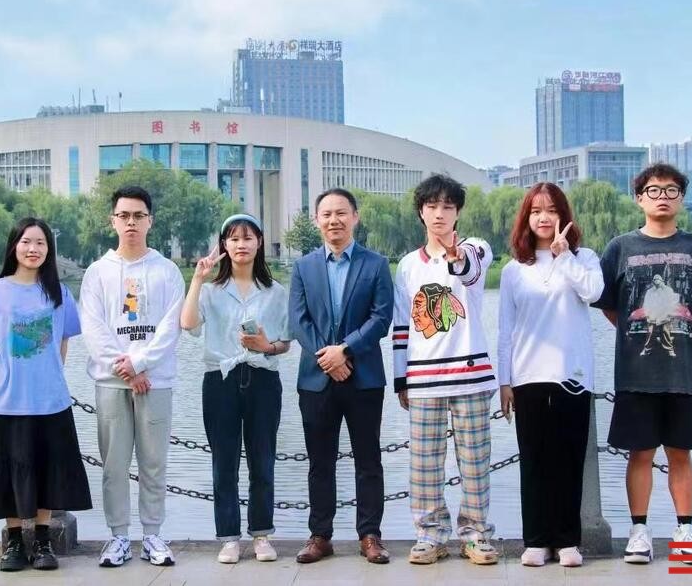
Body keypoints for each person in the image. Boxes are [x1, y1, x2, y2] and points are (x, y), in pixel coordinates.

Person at [592, 163, 692, 565]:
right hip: (635, 374)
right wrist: (642, 327)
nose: (662, 197)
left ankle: (685, 530)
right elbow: (610, 306)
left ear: (681, 198)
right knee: (640, 454)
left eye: (670, 190)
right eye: (653, 190)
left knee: (681, 454)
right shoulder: (620, 248)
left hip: (685, 374)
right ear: (639, 198)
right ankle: (639, 531)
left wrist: (673, 327)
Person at [0, 217, 92, 572]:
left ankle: (42, 541)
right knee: (9, 470)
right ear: (14, 246)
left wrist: (48, 373)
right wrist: (18, 368)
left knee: (47, 469)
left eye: (40, 243)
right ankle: (13, 543)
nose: (33, 249)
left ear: (48, 250)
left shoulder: (59, 293)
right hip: (6, 399)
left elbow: (63, 341)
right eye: (26, 242)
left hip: (50, 399)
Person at [392, 175, 500, 566]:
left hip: (470, 377)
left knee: (474, 461)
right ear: (421, 212)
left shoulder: (476, 248)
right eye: (432, 206)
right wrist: (401, 379)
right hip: (423, 380)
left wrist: (457, 257)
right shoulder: (407, 265)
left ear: (457, 212)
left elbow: (469, 271)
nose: (439, 213)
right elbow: (401, 325)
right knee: (424, 464)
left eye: (448, 206)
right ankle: (429, 534)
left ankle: (476, 534)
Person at [497, 182, 604, 568]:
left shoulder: (584, 258)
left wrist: (564, 256)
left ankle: (567, 540)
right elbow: (505, 330)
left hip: (572, 374)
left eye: (551, 210)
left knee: (569, 460)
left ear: (564, 215)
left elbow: (593, 293)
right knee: (534, 461)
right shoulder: (514, 270)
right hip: (528, 376)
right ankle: (537, 540)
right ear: (526, 218)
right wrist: (504, 381)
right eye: (536, 211)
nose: (544, 217)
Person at [80, 186, 185, 568]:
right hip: (111, 381)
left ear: (150, 221)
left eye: (138, 216)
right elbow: (93, 329)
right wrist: (126, 370)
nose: (131, 223)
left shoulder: (167, 271)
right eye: (123, 216)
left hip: (155, 381)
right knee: (114, 463)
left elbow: (171, 328)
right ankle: (119, 536)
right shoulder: (98, 272)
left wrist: (140, 364)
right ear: (113, 221)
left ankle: (153, 534)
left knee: (153, 461)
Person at [288, 188, 394, 565]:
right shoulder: (303, 267)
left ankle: (370, 535)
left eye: (341, 213)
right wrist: (328, 358)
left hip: (364, 377)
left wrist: (345, 350)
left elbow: (381, 318)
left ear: (355, 217)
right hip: (316, 380)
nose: (334, 220)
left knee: (369, 460)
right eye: (327, 214)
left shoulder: (376, 264)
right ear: (317, 220)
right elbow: (298, 321)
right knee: (320, 462)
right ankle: (320, 535)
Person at [180, 214, 291, 564]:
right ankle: (228, 537)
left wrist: (266, 346)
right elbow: (188, 324)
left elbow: (286, 342)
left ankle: (261, 534)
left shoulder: (276, 292)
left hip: (263, 379)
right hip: (221, 380)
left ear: (259, 242)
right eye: (233, 239)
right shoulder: (211, 291)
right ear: (223, 245)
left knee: (263, 460)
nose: (241, 245)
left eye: (248, 238)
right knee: (224, 462)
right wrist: (198, 278)